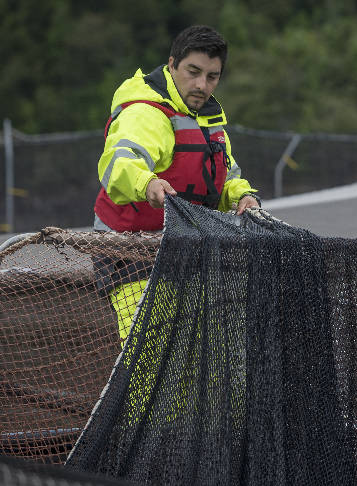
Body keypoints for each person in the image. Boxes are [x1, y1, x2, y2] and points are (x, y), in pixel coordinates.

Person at [92, 25, 260, 343]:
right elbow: (119, 167)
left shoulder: (209, 118)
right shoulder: (145, 113)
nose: (201, 85)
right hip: (130, 254)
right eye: (193, 72)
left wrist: (243, 197)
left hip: (184, 251)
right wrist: (148, 184)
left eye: (212, 76)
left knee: (205, 356)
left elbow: (227, 179)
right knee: (149, 359)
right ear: (172, 65)